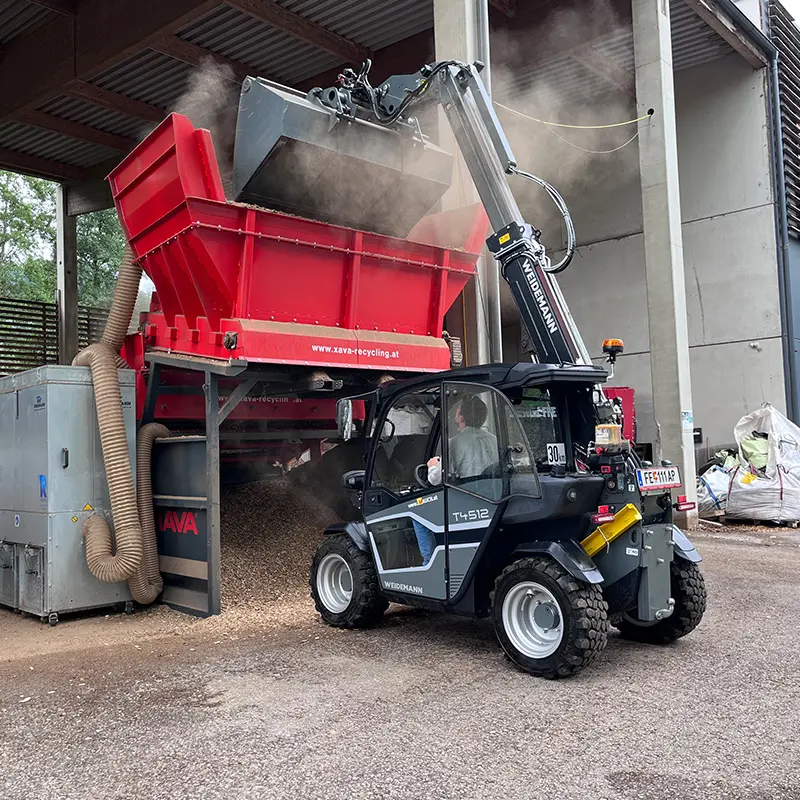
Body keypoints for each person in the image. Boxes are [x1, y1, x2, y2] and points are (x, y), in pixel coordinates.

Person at [410, 394, 497, 566]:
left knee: (417, 514)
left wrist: (433, 465)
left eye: (456, 412)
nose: (454, 415)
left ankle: (429, 563)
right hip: (491, 497)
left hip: (465, 501)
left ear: (461, 418)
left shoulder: (454, 442)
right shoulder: (494, 440)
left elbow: (435, 480)